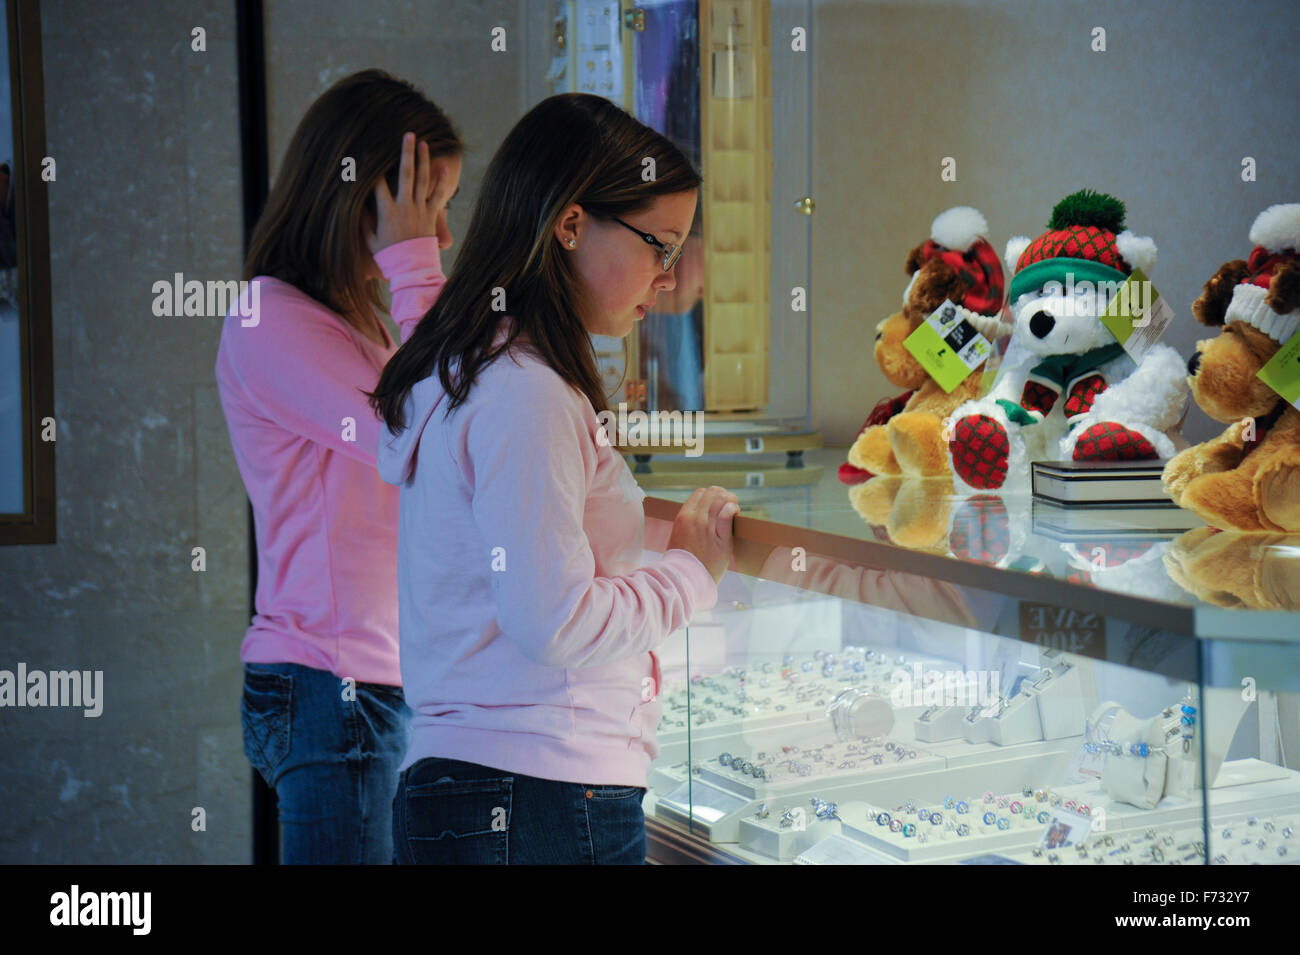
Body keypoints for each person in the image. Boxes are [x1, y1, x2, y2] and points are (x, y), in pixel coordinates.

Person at [371, 92, 738, 865]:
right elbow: (555, 619)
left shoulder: (468, 369)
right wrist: (690, 574)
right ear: (570, 225)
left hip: (483, 788)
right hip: (539, 794)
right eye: (658, 245)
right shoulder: (524, 391)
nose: (668, 279)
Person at [215, 69, 462, 864]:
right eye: (428, 211)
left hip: (364, 683)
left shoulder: (357, 322)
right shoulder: (268, 318)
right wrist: (415, 269)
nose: (444, 237)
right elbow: (424, 431)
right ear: (363, 205)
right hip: (328, 684)